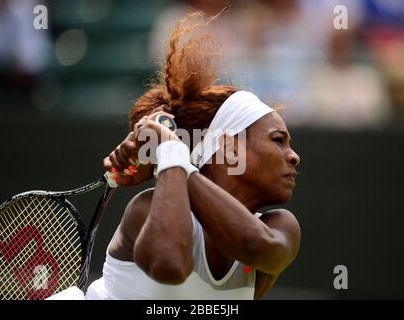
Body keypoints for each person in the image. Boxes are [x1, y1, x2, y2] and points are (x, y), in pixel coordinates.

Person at [50, 12, 301, 300]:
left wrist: (171, 156)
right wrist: (171, 154)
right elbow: (170, 265)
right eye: (278, 140)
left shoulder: (280, 228)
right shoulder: (147, 207)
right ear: (231, 148)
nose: (294, 156)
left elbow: (257, 247)